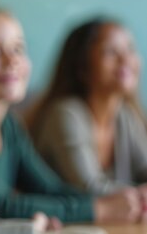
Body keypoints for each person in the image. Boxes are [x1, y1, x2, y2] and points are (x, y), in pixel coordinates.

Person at [0, 7, 146, 223]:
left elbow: (50, 189)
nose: (12, 61)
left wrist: (122, 201)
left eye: (18, 49)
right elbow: (0, 206)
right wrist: (99, 209)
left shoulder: (8, 125)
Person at [27, 18, 147, 195]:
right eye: (110, 51)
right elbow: (89, 188)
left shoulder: (125, 115)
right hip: (63, 222)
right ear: (81, 67)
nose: (125, 59)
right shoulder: (65, 113)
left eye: (130, 49)